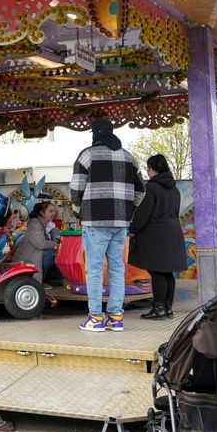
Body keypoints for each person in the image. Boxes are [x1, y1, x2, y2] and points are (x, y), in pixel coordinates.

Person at [70, 117, 144, 333]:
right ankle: (116, 317)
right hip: (121, 222)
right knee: (117, 268)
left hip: (95, 221)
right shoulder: (129, 158)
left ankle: (95, 318)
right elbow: (141, 190)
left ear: (94, 134)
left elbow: (76, 189)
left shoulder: (87, 155)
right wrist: (128, 210)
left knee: (93, 269)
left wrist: (78, 211)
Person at [128, 154, 186, 320]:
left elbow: (144, 212)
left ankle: (158, 309)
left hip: (156, 235)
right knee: (168, 273)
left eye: (148, 168)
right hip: (173, 232)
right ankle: (168, 308)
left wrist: (133, 228)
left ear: (152, 168)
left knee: (157, 273)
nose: (147, 171)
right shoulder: (174, 189)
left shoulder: (152, 188)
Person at [12, 201, 60, 287]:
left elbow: (57, 234)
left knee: (54, 253)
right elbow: (41, 244)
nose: (53, 213)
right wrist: (55, 245)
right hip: (26, 259)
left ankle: (46, 279)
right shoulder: (34, 224)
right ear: (42, 212)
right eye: (50, 211)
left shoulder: (43, 223)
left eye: (54, 211)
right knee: (50, 253)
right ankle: (39, 281)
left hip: (34, 254)